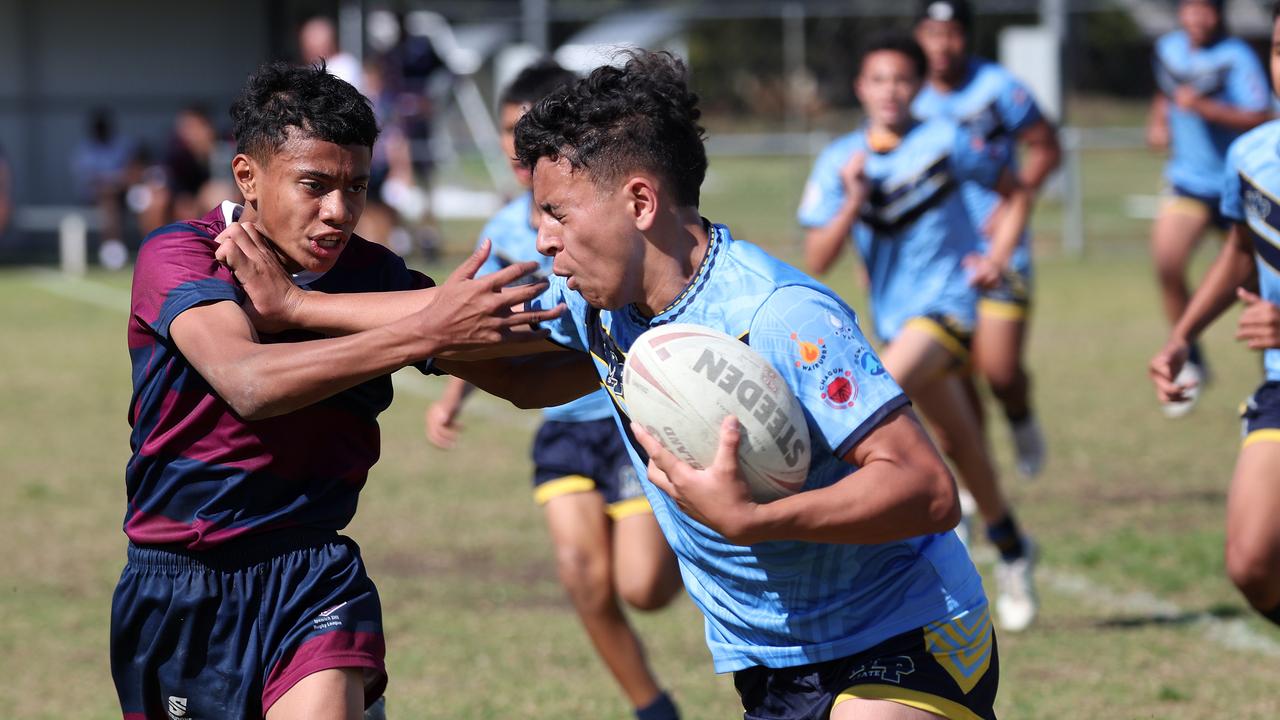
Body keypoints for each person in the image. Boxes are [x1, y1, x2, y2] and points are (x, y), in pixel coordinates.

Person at [222, 51, 1000, 720]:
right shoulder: (605, 304)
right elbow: (510, 363)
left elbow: (927, 490)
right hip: (772, 656)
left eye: (556, 213)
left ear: (638, 201)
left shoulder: (778, 314)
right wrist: (313, 311)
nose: (543, 238)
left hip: (906, 632)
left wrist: (759, 519)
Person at [112, 61, 564, 720]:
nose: (338, 212)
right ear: (248, 177)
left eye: (356, 186)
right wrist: (422, 327)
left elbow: (521, 377)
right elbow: (248, 383)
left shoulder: (374, 274)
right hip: (181, 579)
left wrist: (633, 346)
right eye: (314, 185)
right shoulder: (181, 255)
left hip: (311, 573)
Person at [424, 60, 684, 720]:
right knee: (578, 569)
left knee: (643, 586)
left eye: (529, 132)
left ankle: (687, 535)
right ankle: (651, 706)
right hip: (563, 420)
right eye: (510, 134)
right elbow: (492, 324)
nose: (518, 150)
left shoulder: (608, 212)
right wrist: (453, 392)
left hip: (628, 413)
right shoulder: (506, 230)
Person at [800, 34, 1039, 634]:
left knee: (873, 393)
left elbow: (1015, 192)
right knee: (959, 449)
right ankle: (1012, 548)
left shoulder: (946, 140)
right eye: (879, 80)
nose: (891, 91)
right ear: (861, 87)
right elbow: (818, 256)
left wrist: (997, 256)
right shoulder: (840, 160)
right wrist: (853, 201)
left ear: (919, 87)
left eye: (903, 80)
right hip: (895, 319)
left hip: (950, 309)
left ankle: (852, 560)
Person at [1149, 1, 1280, 628]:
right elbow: (1239, 254)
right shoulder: (1254, 155)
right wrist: (1181, 336)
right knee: (1252, 564)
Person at [911, 0, 1061, 477]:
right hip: (939, 256)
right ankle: (978, 478)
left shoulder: (999, 89)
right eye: (933, 33)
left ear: (967, 37)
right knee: (952, 377)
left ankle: (1019, 414)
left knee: (998, 369)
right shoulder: (907, 97)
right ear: (918, 36)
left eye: (952, 33)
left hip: (1002, 247)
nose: (942, 44)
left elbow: (1046, 146)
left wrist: (1014, 200)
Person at [1147, 0, 1271, 417]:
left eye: (1206, 10)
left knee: (1258, 285)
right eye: (1190, 9)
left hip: (1246, 183)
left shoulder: (1237, 57)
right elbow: (1167, 93)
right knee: (1167, 260)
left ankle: (1269, 366)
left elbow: (1261, 114)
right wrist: (1160, 117)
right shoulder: (1168, 49)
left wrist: (1206, 109)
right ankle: (1192, 357)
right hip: (1191, 182)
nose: (1198, 18)